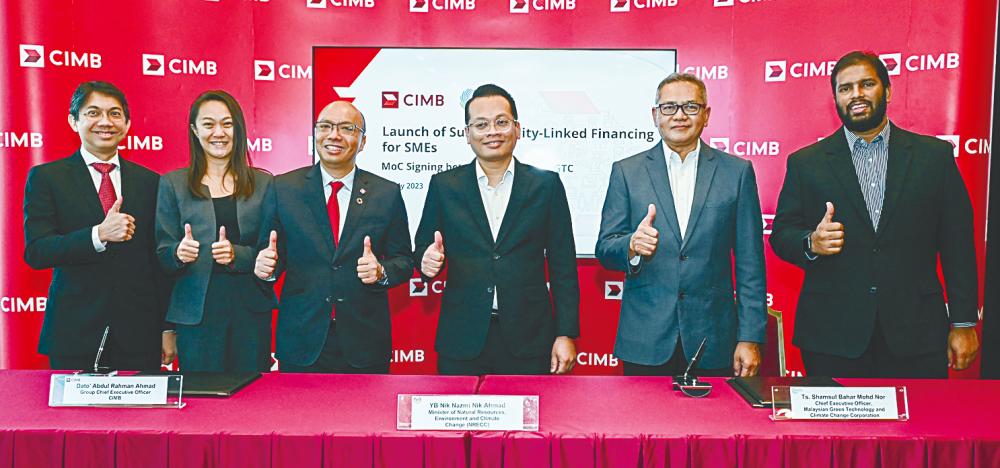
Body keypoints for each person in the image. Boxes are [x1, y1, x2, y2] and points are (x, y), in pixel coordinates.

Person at [770, 51, 979, 378]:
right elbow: (781, 234)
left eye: (867, 84)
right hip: (833, 337)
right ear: (836, 98)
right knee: (838, 432)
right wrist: (811, 242)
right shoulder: (806, 163)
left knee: (920, 429)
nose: (856, 94)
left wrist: (964, 322)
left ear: (888, 90)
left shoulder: (934, 157)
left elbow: (959, 246)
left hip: (917, 336)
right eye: (845, 88)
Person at [595, 73, 767, 377]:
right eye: (669, 107)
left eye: (690, 106)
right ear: (655, 115)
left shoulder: (736, 173)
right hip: (645, 340)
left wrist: (750, 337)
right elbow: (606, 248)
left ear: (706, 115)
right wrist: (631, 245)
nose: (679, 115)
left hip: (713, 339)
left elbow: (750, 264)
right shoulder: (626, 172)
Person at [414, 84, 580, 376]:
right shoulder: (444, 186)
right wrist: (427, 262)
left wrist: (566, 333)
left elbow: (562, 265)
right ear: (467, 134)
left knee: (526, 422)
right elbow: (423, 249)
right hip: (462, 338)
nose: (492, 131)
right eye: (481, 124)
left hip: (529, 339)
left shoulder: (546, 185)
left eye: (501, 122)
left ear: (517, 129)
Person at [253, 100, 412, 374]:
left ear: (362, 142)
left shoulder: (386, 193)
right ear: (315, 134)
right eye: (325, 126)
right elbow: (270, 254)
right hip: (302, 340)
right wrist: (266, 269)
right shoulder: (283, 188)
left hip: (365, 341)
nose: (334, 135)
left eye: (347, 128)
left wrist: (381, 272)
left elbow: (404, 260)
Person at [23, 81, 171, 371]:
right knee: (77, 418)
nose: (105, 122)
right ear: (73, 120)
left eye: (115, 114)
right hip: (74, 333)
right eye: (93, 113)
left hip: (139, 335)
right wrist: (98, 235)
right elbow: (38, 251)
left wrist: (167, 328)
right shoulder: (47, 178)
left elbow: (159, 264)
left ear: (127, 124)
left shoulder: (152, 182)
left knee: (142, 418)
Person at [155, 90, 275, 372]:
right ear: (195, 130)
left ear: (239, 129)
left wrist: (238, 255)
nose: (218, 132)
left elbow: (271, 252)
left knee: (252, 402)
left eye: (227, 123)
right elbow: (161, 255)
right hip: (195, 316)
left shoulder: (264, 183)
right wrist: (177, 253)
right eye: (208, 124)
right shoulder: (173, 184)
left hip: (249, 313)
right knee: (201, 405)